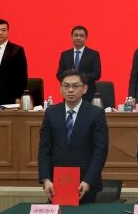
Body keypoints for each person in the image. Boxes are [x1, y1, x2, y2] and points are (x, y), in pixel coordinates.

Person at [38, 70, 109, 204]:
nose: (70, 90)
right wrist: (46, 179)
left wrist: (88, 180)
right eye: (66, 86)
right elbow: (44, 149)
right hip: (56, 183)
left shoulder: (96, 114)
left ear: (85, 89)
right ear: (60, 88)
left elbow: (100, 150)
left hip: (85, 183)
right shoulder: (51, 113)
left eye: (75, 86)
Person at [56, 25, 101, 103]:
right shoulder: (65, 54)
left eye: (81, 36)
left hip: (88, 93)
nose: (78, 38)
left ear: (86, 38)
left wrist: (81, 78)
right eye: (76, 35)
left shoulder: (93, 54)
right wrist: (69, 81)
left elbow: (97, 74)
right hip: (69, 93)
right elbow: (59, 74)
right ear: (72, 37)